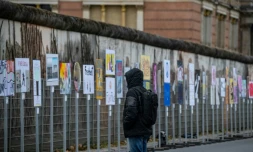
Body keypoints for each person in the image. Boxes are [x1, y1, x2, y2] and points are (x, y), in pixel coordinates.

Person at [123, 68, 152, 152]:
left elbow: (131, 111)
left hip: (135, 131)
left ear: (131, 79)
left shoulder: (132, 92)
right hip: (145, 131)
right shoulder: (145, 91)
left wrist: (126, 125)